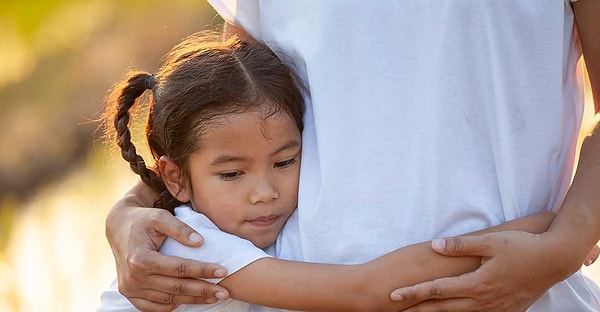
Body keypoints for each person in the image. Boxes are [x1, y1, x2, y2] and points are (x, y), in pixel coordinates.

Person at [105, 1, 600, 311]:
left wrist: (565, 242)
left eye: (285, 162)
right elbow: (225, 117)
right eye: (235, 175)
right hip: (335, 292)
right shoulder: (199, 247)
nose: (264, 191)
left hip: (520, 292)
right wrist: (127, 210)